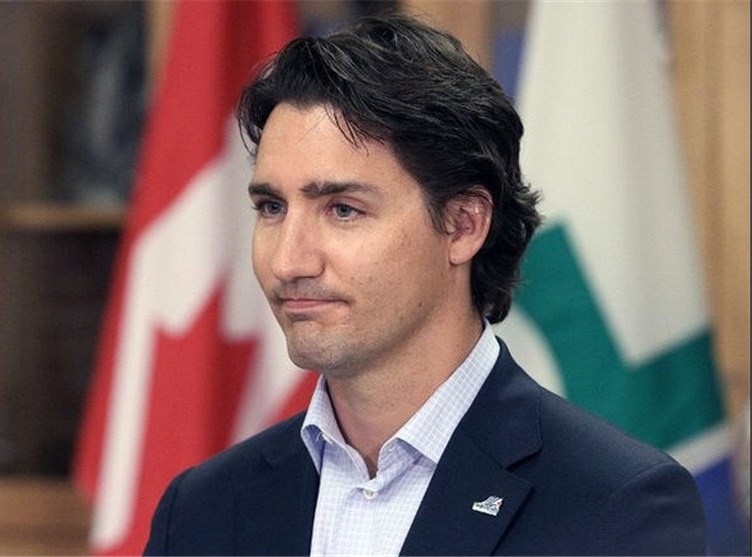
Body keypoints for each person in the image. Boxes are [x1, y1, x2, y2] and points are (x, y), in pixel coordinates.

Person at [144, 13, 706, 556]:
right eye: (271, 207)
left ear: (463, 226)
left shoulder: (616, 505)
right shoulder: (201, 510)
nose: (289, 261)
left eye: (342, 209)